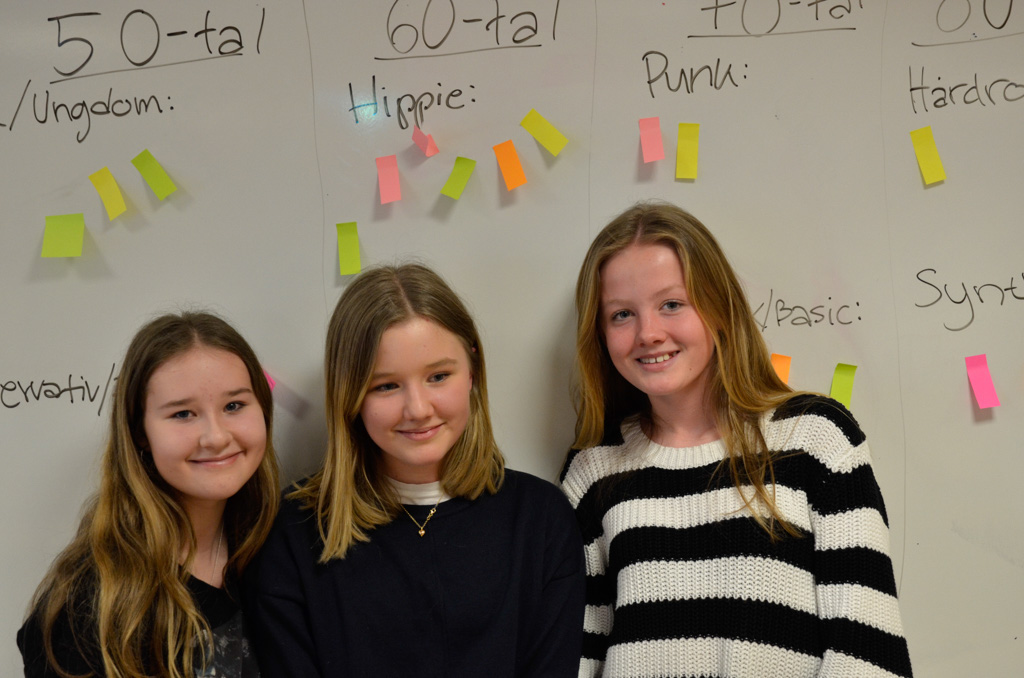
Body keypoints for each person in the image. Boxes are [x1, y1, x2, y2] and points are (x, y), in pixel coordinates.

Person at [560, 202, 913, 678]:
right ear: (600, 335)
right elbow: (580, 658)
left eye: (671, 304)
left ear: (719, 308)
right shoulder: (592, 472)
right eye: (621, 314)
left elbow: (869, 654)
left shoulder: (816, 440)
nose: (648, 333)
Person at [244, 263, 585, 677]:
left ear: (472, 371)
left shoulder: (541, 519)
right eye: (386, 385)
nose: (418, 409)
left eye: (438, 376)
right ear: (349, 394)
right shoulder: (293, 532)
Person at [18, 311, 279, 678]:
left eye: (234, 406)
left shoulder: (283, 548)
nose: (217, 437)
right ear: (140, 433)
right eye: (183, 414)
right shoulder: (87, 610)